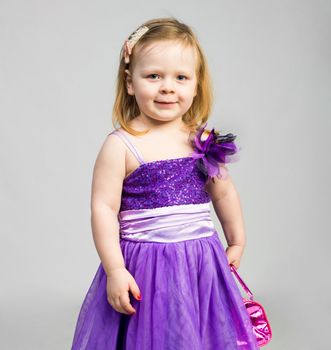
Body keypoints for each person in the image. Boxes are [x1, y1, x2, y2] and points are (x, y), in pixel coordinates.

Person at [71, 17, 259, 350]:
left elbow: (224, 191)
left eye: (181, 77)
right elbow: (103, 208)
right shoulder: (121, 145)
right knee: (153, 336)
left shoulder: (201, 140)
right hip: (146, 266)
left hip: (201, 261)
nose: (167, 87)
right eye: (154, 76)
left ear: (196, 85)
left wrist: (237, 240)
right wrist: (115, 269)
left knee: (199, 335)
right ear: (130, 83)